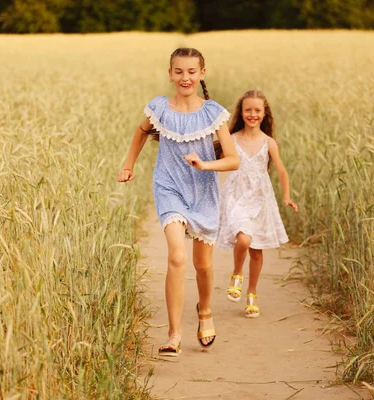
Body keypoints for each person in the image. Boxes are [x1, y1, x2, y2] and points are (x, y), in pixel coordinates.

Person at [117, 48, 239, 356]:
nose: (185, 77)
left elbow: (233, 160)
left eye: (191, 71)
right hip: (169, 187)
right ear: (170, 74)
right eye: (179, 71)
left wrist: (206, 165)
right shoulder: (159, 108)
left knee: (203, 265)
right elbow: (140, 133)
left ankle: (206, 311)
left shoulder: (214, 113)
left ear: (202, 73)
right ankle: (173, 335)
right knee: (176, 257)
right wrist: (128, 165)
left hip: (203, 191)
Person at [216, 90, 298, 318]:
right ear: (241, 113)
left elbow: (281, 170)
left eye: (257, 111)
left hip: (261, 199)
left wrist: (287, 196)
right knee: (243, 237)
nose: (252, 114)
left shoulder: (269, 142)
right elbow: (219, 163)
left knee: (257, 250)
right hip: (237, 196)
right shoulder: (231, 140)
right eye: (248, 110)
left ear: (264, 114)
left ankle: (252, 293)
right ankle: (236, 274)